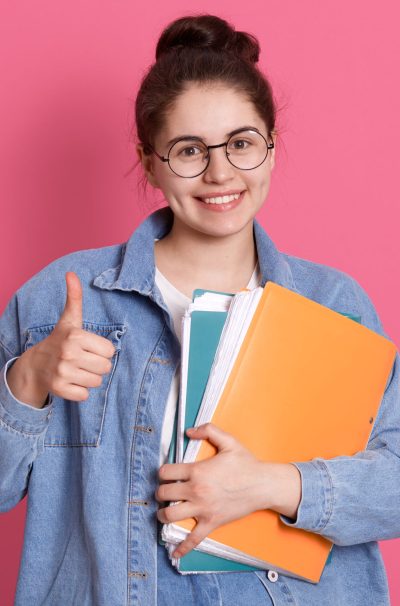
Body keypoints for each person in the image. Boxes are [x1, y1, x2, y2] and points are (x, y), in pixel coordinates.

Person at [0, 13, 399, 606]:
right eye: (189, 149)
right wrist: (27, 381)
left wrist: (272, 484)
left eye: (241, 143)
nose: (220, 173)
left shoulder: (335, 305)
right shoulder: (59, 301)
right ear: (150, 160)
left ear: (271, 146)